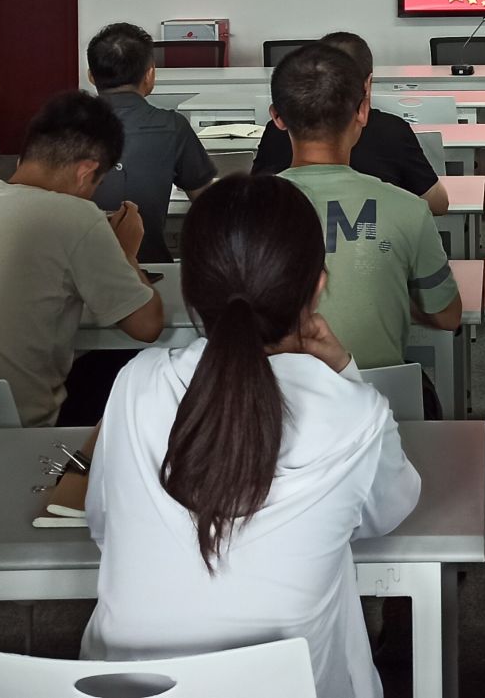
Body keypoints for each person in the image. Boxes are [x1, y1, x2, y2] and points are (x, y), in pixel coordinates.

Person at [80, 175, 420, 698]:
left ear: (189, 290)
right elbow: (389, 511)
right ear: (318, 286)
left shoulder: (136, 384)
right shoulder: (356, 414)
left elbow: (103, 526)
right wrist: (345, 372)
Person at [0, 89, 166, 426]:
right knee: (144, 364)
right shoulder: (77, 216)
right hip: (13, 428)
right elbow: (147, 326)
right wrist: (126, 251)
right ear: (86, 171)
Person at [270, 43, 462, 382]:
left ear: (277, 118)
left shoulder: (235, 211)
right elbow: (448, 316)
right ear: (362, 111)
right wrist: (393, 295)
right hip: (381, 397)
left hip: (271, 399)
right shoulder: (408, 209)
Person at [254, 30, 449, 214]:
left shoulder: (276, 131)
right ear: (367, 85)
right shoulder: (392, 130)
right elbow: (437, 203)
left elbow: (255, 197)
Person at [88, 20, 217, 260]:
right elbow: (208, 205)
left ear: (91, 76)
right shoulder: (173, 127)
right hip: (151, 269)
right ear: (150, 74)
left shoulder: (60, 129)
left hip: (75, 274)